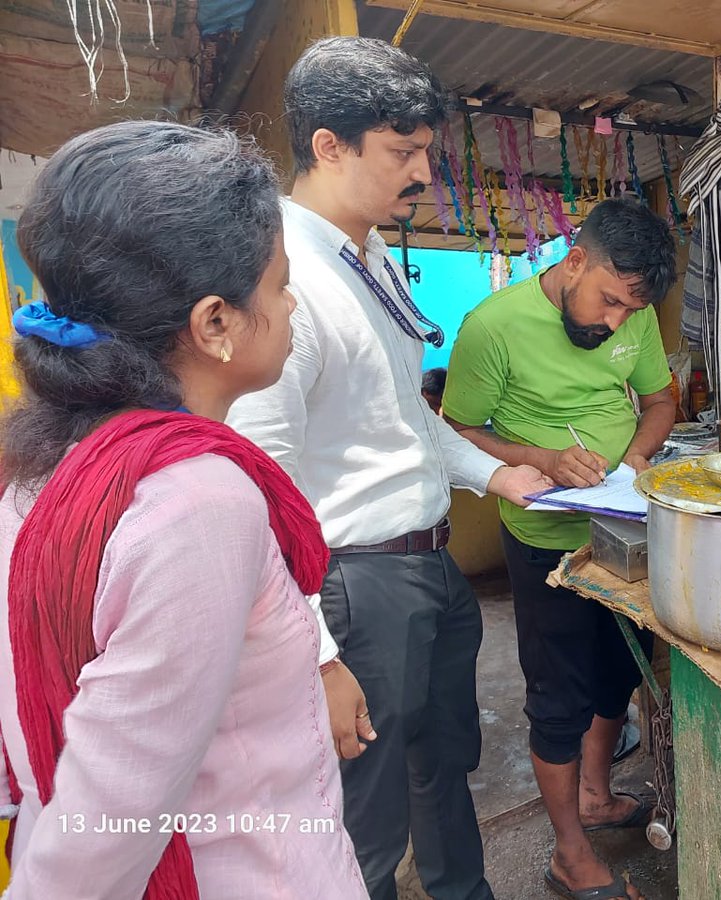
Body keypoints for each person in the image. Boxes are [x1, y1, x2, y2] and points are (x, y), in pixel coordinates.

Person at [0, 121, 366, 898]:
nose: (292, 304)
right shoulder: (198, 501)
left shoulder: (33, 466)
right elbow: (108, 816)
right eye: (277, 285)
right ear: (215, 324)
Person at [225, 37, 550, 900]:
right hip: (352, 582)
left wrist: (497, 477)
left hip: (427, 568)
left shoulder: (364, 262)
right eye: (402, 153)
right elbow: (263, 483)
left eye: (427, 153)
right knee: (360, 813)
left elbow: (408, 416)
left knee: (444, 766)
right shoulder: (280, 277)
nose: (424, 176)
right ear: (330, 147)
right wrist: (320, 654)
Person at [443, 198, 678, 900]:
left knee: (616, 679)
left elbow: (660, 401)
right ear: (574, 261)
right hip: (549, 545)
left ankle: (597, 796)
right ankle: (569, 858)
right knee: (559, 698)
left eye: (627, 312)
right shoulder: (495, 326)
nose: (613, 324)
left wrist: (634, 459)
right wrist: (539, 456)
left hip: (622, 535)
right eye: (607, 301)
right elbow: (458, 429)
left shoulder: (633, 316)